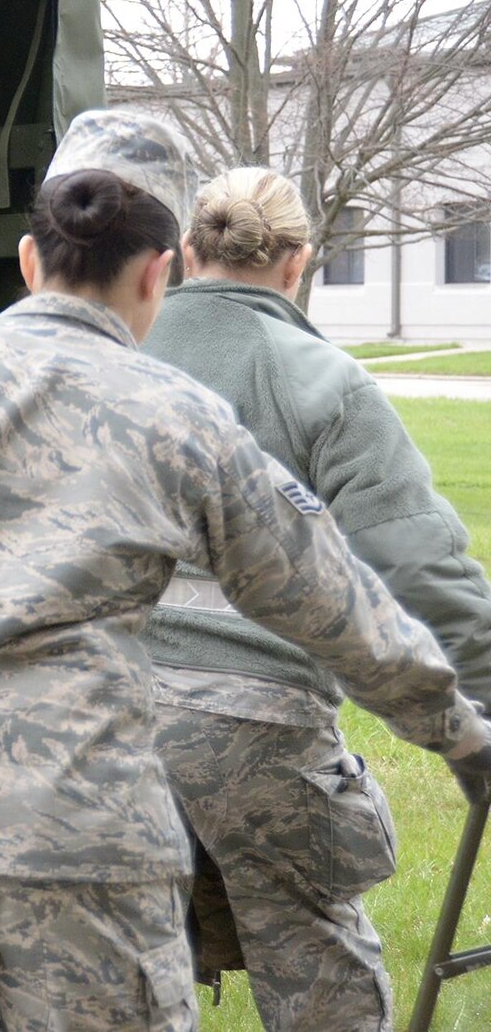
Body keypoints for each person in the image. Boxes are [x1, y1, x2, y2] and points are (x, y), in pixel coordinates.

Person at [0, 109, 491, 1032]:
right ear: (157, 271)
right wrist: (458, 732)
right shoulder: (183, 418)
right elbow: (338, 605)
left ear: (27, 257)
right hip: (76, 840)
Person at [138, 167, 491, 1027]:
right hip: (255, 728)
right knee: (320, 981)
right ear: (298, 261)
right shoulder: (324, 380)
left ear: (186, 253)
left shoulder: (113, 356)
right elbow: (416, 565)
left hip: (95, 717)